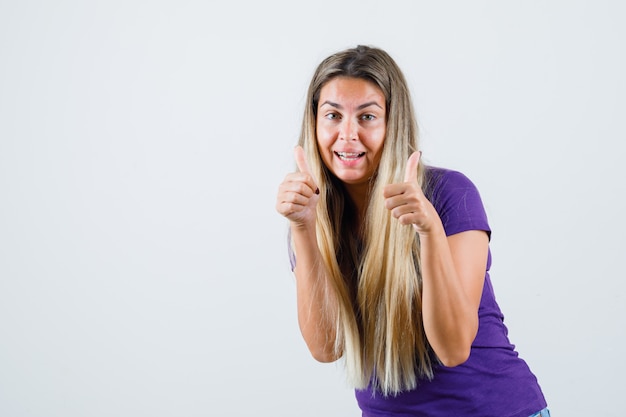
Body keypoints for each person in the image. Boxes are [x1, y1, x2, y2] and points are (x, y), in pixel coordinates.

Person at [275, 45, 549, 417]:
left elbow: (453, 349)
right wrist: (303, 228)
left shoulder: (449, 194)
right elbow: (326, 348)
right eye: (333, 115)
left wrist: (430, 232)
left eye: (367, 116)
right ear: (315, 123)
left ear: (392, 123)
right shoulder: (311, 215)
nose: (348, 134)